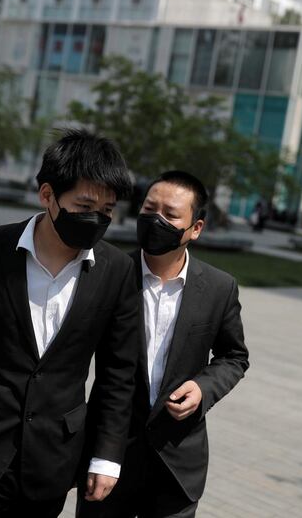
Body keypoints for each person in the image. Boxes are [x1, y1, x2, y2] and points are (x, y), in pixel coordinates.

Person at [0, 130, 141, 517]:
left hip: (49, 465)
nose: (96, 218)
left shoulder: (117, 271)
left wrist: (106, 455)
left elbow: (118, 374)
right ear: (48, 195)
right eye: (84, 204)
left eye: (106, 210)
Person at [78, 170, 249, 518]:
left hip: (177, 464)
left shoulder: (219, 288)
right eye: (149, 209)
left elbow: (234, 357)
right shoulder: (106, 272)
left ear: (196, 228)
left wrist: (203, 389)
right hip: (109, 457)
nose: (156, 220)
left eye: (170, 215)